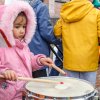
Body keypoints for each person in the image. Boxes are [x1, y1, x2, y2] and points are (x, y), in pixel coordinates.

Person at [0, 1, 54, 99]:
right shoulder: (2, 46)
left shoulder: (23, 45)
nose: (22, 30)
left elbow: (30, 60)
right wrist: (5, 71)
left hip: (24, 90)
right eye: (17, 27)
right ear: (5, 26)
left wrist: (39, 60)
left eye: (24, 27)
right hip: (9, 94)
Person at [54, 0, 100, 86]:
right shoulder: (96, 13)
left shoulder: (66, 13)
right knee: (87, 92)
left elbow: (57, 32)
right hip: (89, 61)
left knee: (72, 92)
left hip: (70, 61)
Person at [28, 0, 60, 77]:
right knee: (40, 83)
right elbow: (46, 31)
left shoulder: (26, 6)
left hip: (27, 50)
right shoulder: (42, 7)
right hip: (39, 50)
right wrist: (58, 40)